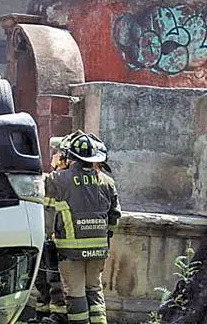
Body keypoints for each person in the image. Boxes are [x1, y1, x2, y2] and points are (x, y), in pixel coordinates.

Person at [44, 132, 121, 324]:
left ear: (70, 156)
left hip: (71, 251)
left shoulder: (58, 179)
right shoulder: (108, 183)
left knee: (76, 293)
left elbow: (45, 211)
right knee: (94, 290)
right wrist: (106, 236)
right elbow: (115, 217)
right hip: (98, 250)